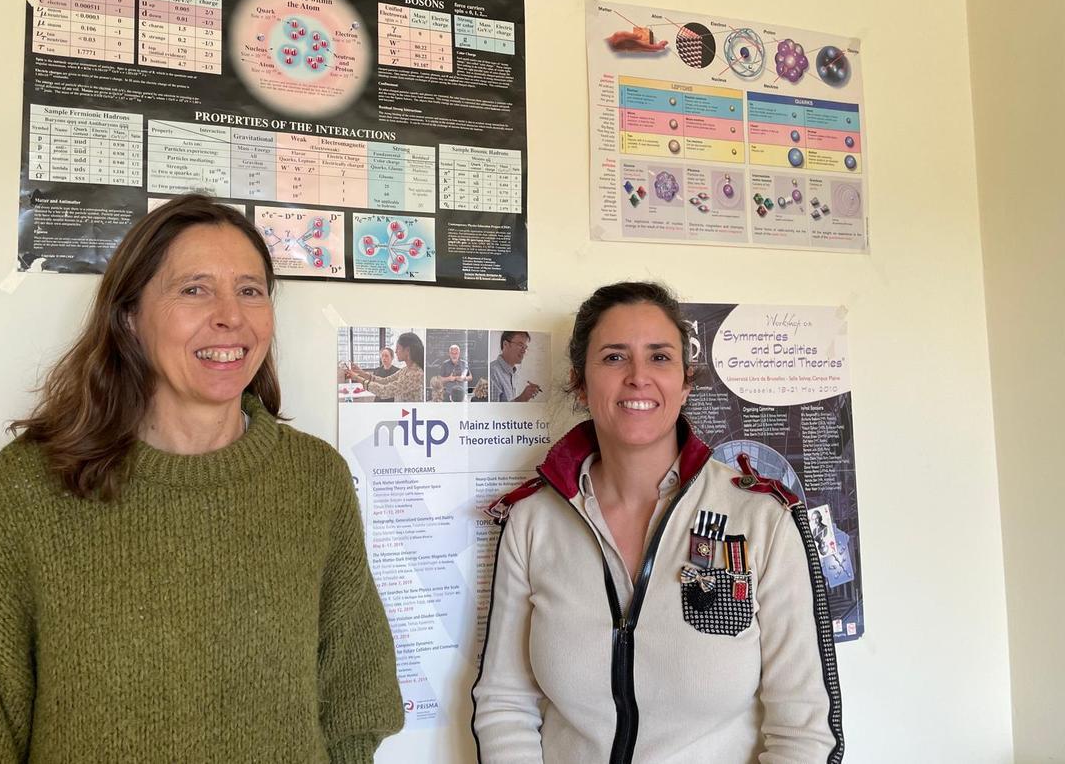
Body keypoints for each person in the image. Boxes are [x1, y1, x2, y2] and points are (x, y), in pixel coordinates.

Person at [0, 194, 403, 762]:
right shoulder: (29, 488)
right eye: (194, 289)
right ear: (129, 318)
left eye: (250, 290)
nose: (231, 316)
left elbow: (353, 704)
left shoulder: (314, 481)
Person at [472, 282, 843, 764]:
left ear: (685, 383)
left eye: (660, 357)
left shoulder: (763, 520)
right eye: (614, 357)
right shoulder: (532, 521)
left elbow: (805, 728)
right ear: (580, 384)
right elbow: (504, 703)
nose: (638, 377)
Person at [349, 331, 425, 403]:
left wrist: (357, 378)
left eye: (398, 348)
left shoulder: (416, 374)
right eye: (382, 356)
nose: (396, 351)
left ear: (407, 350)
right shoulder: (405, 370)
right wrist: (361, 373)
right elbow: (384, 381)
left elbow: (384, 391)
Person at [489, 330, 541, 402]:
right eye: (520, 345)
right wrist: (523, 398)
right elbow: (492, 408)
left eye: (525, 347)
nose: (524, 351)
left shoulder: (513, 373)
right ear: (505, 344)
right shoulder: (492, 372)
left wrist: (524, 398)